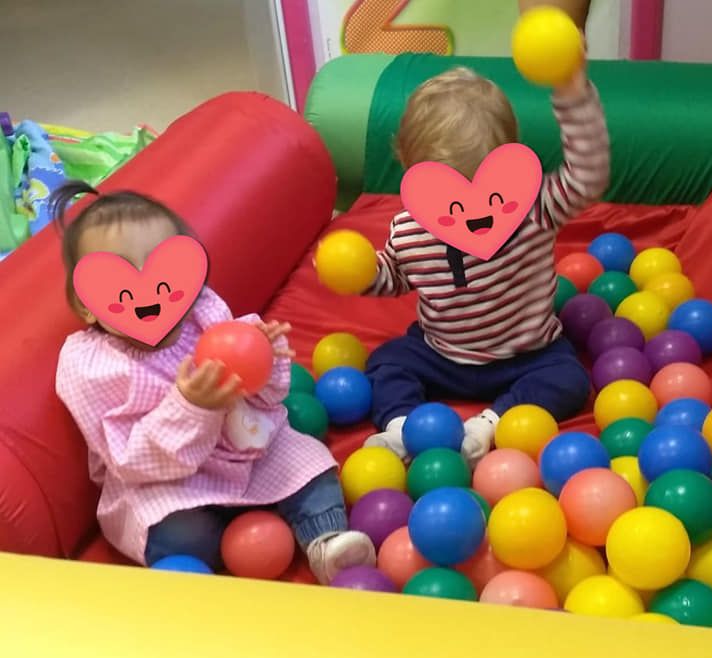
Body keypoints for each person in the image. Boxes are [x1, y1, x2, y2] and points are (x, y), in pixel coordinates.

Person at [52, 182, 375, 583]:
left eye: (163, 274)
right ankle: (233, 544)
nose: (147, 292)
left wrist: (264, 361)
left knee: (308, 461)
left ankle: (326, 542)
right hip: (167, 483)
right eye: (121, 282)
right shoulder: (94, 367)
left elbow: (267, 402)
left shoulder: (204, 315)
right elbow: (130, 461)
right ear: (86, 304)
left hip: (245, 454)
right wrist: (189, 406)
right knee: (174, 532)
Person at [362, 48, 610, 465]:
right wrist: (363, 271)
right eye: (448, 195)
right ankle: (403, 428)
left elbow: (588, 174)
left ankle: (491, 423)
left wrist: (573, 94)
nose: (470, 212)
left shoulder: (534, 208)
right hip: (440, 354)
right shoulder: (408, 227)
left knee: (568, 379)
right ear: (414, 174)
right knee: (386, 363)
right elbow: (395, 277)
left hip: (527, 355)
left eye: (484, 191)